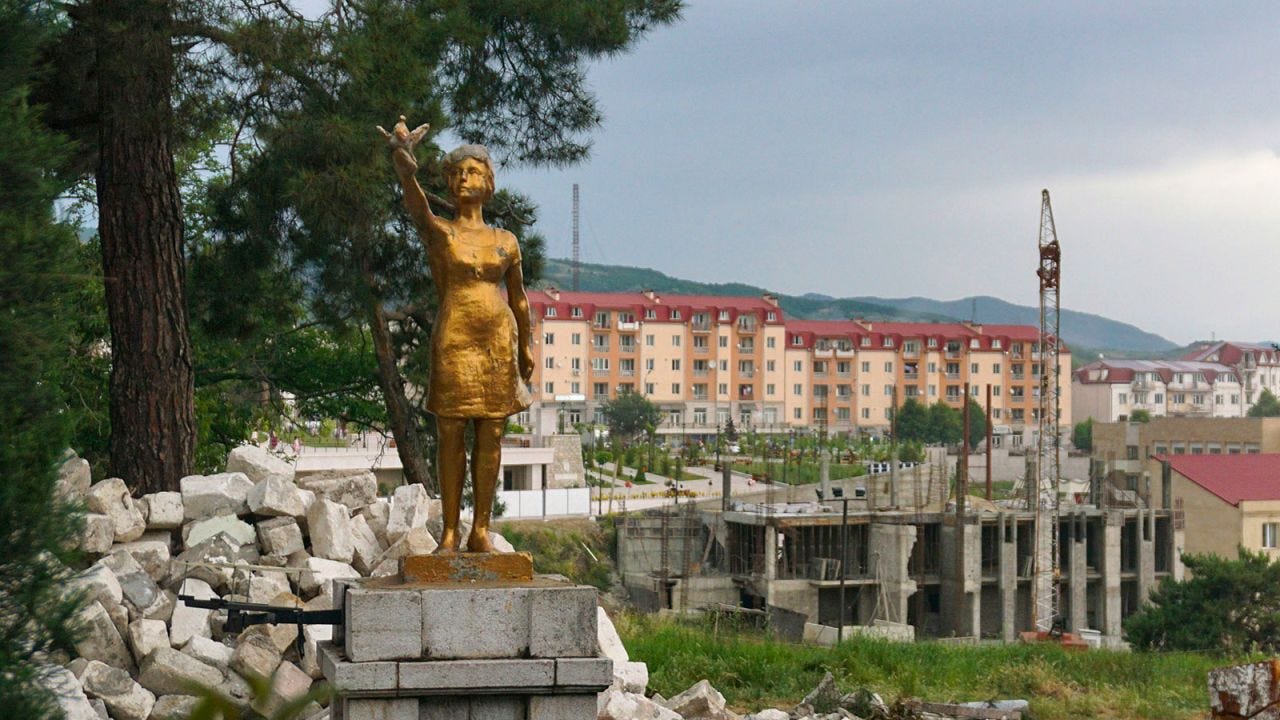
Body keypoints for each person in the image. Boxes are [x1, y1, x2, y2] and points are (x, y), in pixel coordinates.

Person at [379, 116, 533, 553]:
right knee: (450, 432)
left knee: (492, 434)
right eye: (457, 173)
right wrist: (404, 164)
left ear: (489, 182)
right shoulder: (441, 233)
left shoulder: (506, 239)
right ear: (448, 183)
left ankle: (480, 529)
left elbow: (519, 298)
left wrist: (527, 345)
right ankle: (449, 530)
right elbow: (416, 208)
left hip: (497, 341)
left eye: (474, 172)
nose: (465, 179)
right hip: (455, 337)